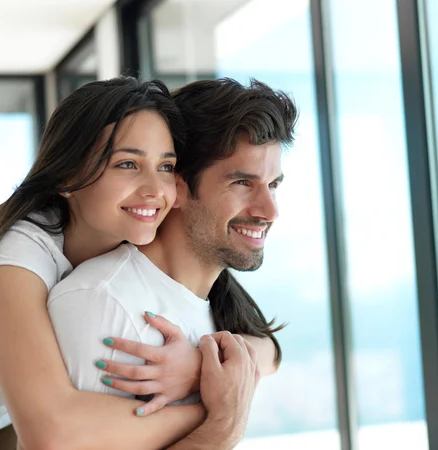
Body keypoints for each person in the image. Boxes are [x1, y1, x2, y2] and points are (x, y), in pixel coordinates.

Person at [0, 77, 278, 450]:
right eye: (128, 164)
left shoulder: (137, 237)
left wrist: (196, 368)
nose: (154, 190)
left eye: (166, 166)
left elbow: (269, 348)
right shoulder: (17, 258)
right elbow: (51, 433)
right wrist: (217, 406)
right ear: (67, 175)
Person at [46, 78, 297, 449]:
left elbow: (270, 349)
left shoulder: (217, 304)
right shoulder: (102, 305)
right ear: (177, 186)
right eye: (243, 182)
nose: (269, 211)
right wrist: (224, 422)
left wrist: (201, 368)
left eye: (273, 184)